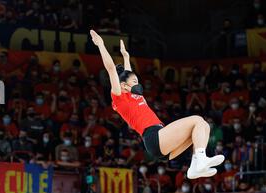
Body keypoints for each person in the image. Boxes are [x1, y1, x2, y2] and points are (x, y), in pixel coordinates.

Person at [90, 31, 225, 180]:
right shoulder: (119, 98)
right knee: (197, 119)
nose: (137, 83)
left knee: (203, 126)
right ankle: (200, 159)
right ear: (123, 85)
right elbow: (111, 70)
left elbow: (128, 74)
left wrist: (126, 56)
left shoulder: (135, 95)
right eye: (134, 81)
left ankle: (195, 167)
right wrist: (101, 45)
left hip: (162, 142)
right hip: (153, 137)